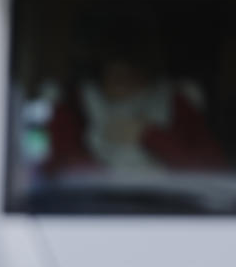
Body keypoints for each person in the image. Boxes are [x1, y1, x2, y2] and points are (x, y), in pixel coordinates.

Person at [44, 23, 226, 173]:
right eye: (114, 73)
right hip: (95, 205)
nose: (123, 80)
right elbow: (58, 166)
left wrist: (149, 135)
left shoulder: (176, 102)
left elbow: (211, 170)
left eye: (132, 72)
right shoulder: (75, 105)